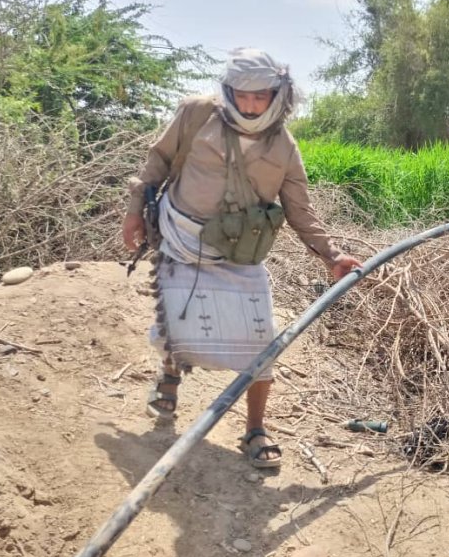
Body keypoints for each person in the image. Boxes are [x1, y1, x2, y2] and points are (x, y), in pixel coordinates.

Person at [123, 48, 361, 468]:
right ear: (228, 91)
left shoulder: (284, 147)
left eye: (261, 97)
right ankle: (170, 375)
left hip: (240, 251)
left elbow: (299, 209)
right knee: (177, 317)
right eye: (242, 95)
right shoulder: (197, 114)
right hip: (180, 234)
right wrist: (132, 212)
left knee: (261, 338)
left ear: (278, 95)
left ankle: (254, 428)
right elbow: (158, 160)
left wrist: (332, 255)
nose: (251, 106)